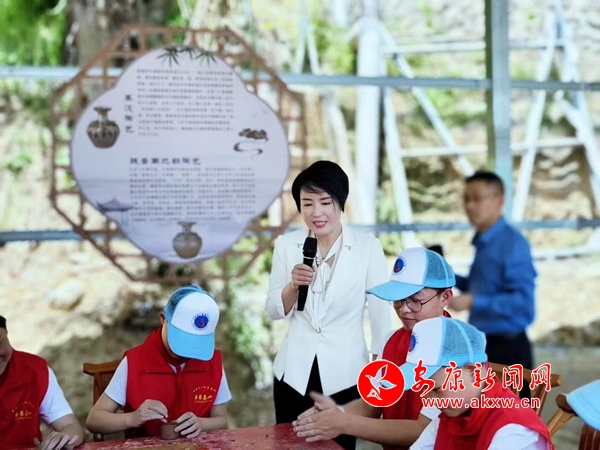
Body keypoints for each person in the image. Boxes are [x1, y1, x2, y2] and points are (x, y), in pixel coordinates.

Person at [265, 160, 392, 450]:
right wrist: (292, 285)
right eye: (307, 204)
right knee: (290, 445)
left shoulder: (368, 247)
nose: (316, 212)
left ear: (340, 202)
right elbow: (273, 310)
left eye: (325, 202)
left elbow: (380, 316)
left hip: (345, 376)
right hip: (293, 374)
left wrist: (380, 372)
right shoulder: (287, 245)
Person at [293, 247, 455, 450]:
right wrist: (334, 413)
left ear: (445, 297)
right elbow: (374, 402)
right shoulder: (391, 341)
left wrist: (345, 423)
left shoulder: (458, 351)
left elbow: (424, 431)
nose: (404, 310)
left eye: (415, 300)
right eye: (398, 300)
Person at [86, 285, 230, 438]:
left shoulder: (211, 362)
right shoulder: (135, 362)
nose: (185, 352)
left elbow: (222, 420)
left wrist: (201, 424)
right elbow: (94, 420)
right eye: (181, 339)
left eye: (195, 343)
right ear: (162, 319)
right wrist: (133, 418)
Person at [401, 316, 554, 450]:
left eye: (437, 389)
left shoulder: (514, 430)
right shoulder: (452, 415)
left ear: (473, 372)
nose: (431, 400)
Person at [451, 170, 536, 398]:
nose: (469, 206)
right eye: (466, 199)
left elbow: (521, 301)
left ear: (500, 200)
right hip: (484, 346)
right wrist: (448, 276)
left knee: (510, 417)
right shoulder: (484, 242)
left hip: (507, 347)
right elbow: (481, 286)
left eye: (477, 198)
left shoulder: (513, 243)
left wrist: (472, 301)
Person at [0, 315, 84, 450]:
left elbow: (70, 425)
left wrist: (64, 438)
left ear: (6, 333)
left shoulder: (34, 370)